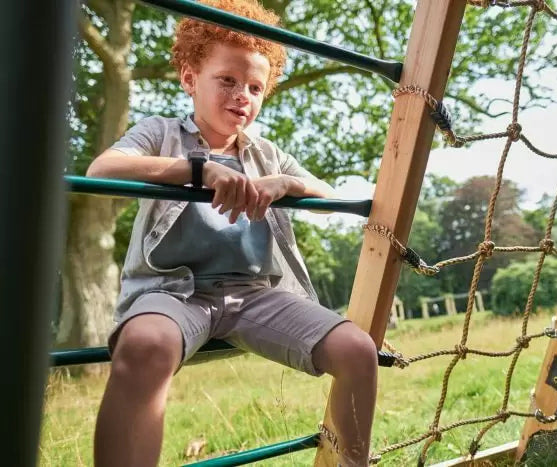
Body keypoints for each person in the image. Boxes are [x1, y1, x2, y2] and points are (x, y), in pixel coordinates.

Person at [86, 1, 377, 465]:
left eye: (255, 87)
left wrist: (288, 183)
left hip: (254, 295)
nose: (242, 94)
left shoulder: (266, 154)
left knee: (358, 350)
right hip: (175, 293)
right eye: (227, 80)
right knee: (145, 345)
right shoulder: (160, 133)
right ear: (189, 79)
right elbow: (102, 169)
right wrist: (198, 171)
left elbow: (325, 195)